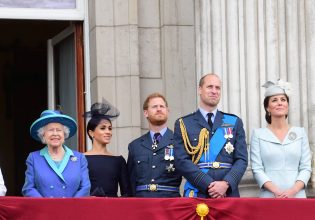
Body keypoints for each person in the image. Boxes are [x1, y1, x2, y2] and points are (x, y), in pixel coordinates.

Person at [174, 73, 248, 198]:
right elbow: (181, 161)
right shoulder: (184, 123)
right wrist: (208, 184)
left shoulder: (234, 122)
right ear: (199, 90)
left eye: (217, 88)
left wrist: (226, 183)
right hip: (199, 192)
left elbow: (242, 159)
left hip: (227, 193)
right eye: (210, 87)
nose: (214, 91)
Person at [250, 79, 312, 198]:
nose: (279, 103)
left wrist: (293, 191)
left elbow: (305, 167)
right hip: (270, 196)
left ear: (287, 106)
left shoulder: (300, 133)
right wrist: (277, 192)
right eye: (274, 100)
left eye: (283, 100)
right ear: (267, 108)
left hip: (297, 196)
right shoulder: (258, 135)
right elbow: (257, 169)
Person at [22, 110, 91, 197]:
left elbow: (85, 187)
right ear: (43, 135)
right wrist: (46, 206)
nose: (55, 134)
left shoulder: (79, 158)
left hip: (72, 208)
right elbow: (28, 189)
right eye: (50, 130)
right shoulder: (34, 158)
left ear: (64, 134)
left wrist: (71, 205)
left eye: (59, 130)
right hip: (44, 209)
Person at [127, 93, 182, 197]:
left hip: (170, 202)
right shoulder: (135, 146)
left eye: (162, 106)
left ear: (168, 111)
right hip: (142, 204)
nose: (159, 109)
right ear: (146, 113)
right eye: (154, 106)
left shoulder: (179, 142)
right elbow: (131, 182)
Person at [84, 100, 131, 197]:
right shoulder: (81, 159)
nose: (108, 132)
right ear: (91, 133)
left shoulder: (119, 161)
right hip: (87, 208)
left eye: (110, 128)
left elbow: (127, 193)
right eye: (103, 128)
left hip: (113, 209)